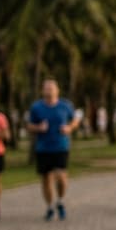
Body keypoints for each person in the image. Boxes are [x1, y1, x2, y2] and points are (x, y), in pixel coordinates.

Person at [27, 79, 81, 221]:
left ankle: (60, 201)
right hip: (43, 148)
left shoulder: (65, 105)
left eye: (52, 88)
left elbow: (75, 120)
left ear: (57, 90)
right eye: (47, 88)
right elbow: (29, 125)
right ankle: (50, 207)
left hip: (61, 146)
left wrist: (69, 128)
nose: (49, 91)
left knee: (61, 176)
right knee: (46, 179)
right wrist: (38, 128)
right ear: (42, 91)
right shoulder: (36, 107)